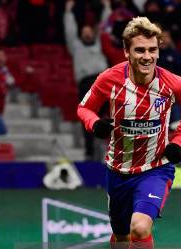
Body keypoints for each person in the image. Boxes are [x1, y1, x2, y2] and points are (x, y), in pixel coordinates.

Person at [77, 17, 181, 249]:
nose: (146, 56)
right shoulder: (109, 80)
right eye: (139, 50)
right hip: (117, 171)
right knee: (120, 236)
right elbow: (84, 108)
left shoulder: (173, 83)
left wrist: (179, 140)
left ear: (158, 51)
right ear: (126, 52)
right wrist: (95, 124)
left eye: (152, 49)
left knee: (140, 227)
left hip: (155, 169)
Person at [64, 0, 110, 159]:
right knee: (88, 119)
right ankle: (89, 152)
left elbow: (105, 26)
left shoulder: (99, 44)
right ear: (81, 34)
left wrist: (107, 7)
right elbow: (69, 31)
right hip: (86, 85)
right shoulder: (76, 47)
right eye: (84, 32)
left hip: (103, 83)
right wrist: (69, 12)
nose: (87, 34)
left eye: (89, 32)